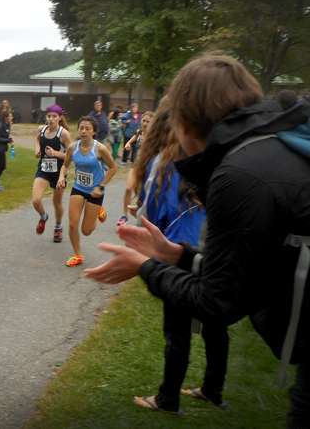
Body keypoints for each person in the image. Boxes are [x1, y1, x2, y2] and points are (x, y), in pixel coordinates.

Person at [84, 55, 310, 427]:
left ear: (185, 125)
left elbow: (218, 302)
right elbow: (247, 272)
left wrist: (146, 266)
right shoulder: (268, 150)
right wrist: (177, 256)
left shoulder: (240, 173)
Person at [129, 99, 227, 416]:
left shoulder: (162, 165)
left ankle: (168, 398)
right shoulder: (217, 162)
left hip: (177, 254)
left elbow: (152, 215)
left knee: (177, 329)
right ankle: (213, 389)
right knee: (215, 323)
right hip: (211, 250)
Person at [57, 116, 117, 266]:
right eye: (81, 128)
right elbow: (65, 165)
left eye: (87, 128)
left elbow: (113, 168)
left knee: (86, 231)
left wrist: (101, 186)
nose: (83, 131)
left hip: (95, 191)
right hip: (78, 187)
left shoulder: (100, 149)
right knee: (72, 224)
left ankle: (98, 211)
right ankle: (78, 255)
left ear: (94, 132)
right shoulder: (72, 147)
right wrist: (61, 177)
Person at [33, 104, 72, 242]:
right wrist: (38, 149)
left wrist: (55, 153)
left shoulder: (64, 134)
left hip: (59, 173)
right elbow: (38, 138)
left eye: (54, 117)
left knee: (57, 202)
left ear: (60, 118)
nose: (51, 119)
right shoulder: (42, 129)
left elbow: (71, 155)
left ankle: (58, 226)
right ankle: (43, 217)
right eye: (49, 116)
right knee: (36, 200)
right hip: (43, 169)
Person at [0, 110, 14, 191]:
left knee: (3, 166)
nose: (12, 117)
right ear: (6, 118)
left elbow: (5, 136)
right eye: (10, 116)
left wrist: (9, 140)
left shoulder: (8, 125)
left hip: (2, 148)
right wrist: (8, 140)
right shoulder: (0, 125)